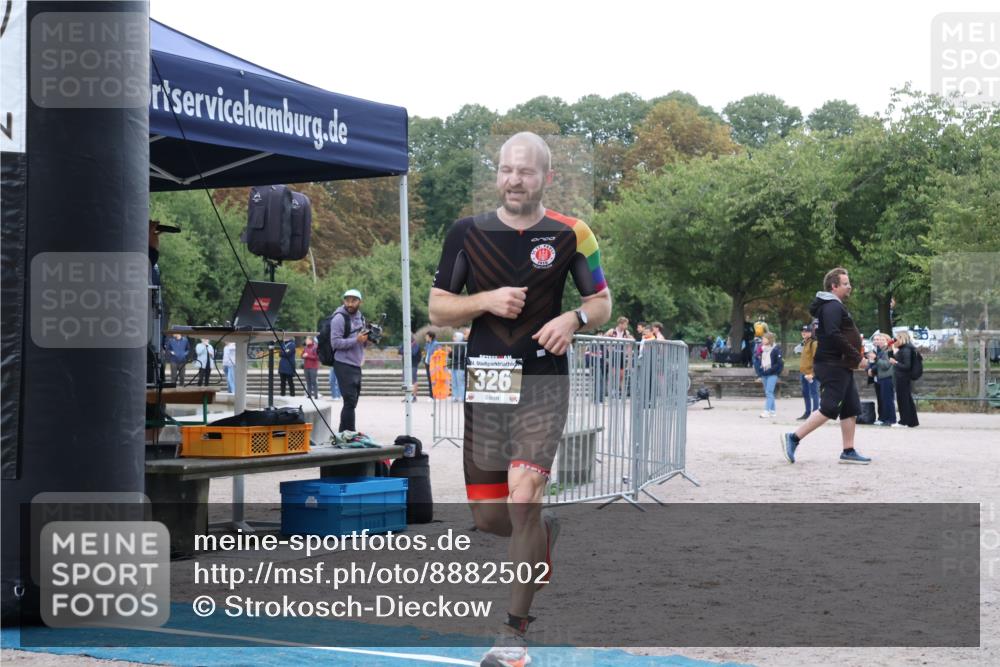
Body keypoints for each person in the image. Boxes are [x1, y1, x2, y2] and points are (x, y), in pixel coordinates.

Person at [428, 132, 612, 667]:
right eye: (507, 169)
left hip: (543, 382)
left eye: (526, 172)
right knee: (490, 517)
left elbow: (600, 301)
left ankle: (514, 638)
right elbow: (439, 309)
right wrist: (485, 300)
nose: (514, 179)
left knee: (523, 496)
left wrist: (573, 319)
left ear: (545, 177)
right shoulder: (466, 233)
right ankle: (540, 536)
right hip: (488, 381)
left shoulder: (573, 233)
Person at [781, 268, 871, 465]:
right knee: (829, 408)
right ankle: (793, 437)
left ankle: (848, 450)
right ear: (834, 286)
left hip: (840, 364)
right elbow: (833, 334)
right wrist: (857, 357)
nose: (850, 287)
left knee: (850, 408)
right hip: (832, 365)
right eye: (846, 283)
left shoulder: (834, 306)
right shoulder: (832, 307)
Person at [329, 288, 368, 432]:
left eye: (353, 300)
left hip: (356, 364)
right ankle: (349, 433)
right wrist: (356, 340)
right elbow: (336, 343)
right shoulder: (339, 318)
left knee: (352, 403)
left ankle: (343, 434)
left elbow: (361, 343)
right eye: (347, 300)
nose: (350, 304)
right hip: (343, 363)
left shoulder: (361, 317)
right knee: (350, 401)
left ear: (360, 302)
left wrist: (368, 339)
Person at [890, 330, 920, 428]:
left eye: (897, 338)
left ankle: (904, 421)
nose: (895, 340)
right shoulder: (904, 348)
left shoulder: (906, 349)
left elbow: (907, 366)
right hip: (902, 377)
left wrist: (895, 363)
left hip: (903, 377)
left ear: (902, 338)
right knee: (907, 399)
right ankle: (912, 421)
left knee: (903, 400)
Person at [872, 334, 897, 426]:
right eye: (879, 339)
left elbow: (886, 365)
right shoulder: (881, 351)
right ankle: (884, 418)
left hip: (887, 377)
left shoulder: (887, 351)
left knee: (888, 400)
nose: (880, 341)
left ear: (887, 341)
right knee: (883, 400)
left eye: (882, 339)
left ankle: (891, 419)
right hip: (882, 377)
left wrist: (875, 359)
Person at [758, 331, 783, 418]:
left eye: (764, 338)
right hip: (764, 373)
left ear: (769, 340)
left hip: (772, 374)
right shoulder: (762, 349)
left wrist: (771, 370)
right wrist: (761, 371)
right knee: (768, 392)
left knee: (769, 392)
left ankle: (766, 411)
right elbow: (760, 361)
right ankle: (772, 411)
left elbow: (779, 363)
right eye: (762, 338)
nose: (762, 340)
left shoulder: (776, 350)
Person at [797, 323, 819, 420]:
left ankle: (815, 414)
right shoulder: (804, 343)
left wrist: (813, 373)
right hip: (803, 372)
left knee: (814, 393)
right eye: (803, 331)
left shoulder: (813, 343)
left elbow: (817, 359)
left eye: (807, 331)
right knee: (805, 393)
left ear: (811, 332)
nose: (804, 333)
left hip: (811, 373)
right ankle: (807, 412)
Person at [451, 329, 467, 401]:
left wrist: (452, 352)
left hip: (460, 367)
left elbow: (459, 355)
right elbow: (452, 356)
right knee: (454, 382)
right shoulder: (456, 345)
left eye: (455, 337)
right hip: (454, 366)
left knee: (460, 382)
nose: (453, 338)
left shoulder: (462, 345)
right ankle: (455, 396)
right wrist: (450, 352)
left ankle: (462, 397)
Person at [423, 331, 439, 399]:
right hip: (428, 363)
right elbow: (426, 352)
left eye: (426, 336)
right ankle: (431, 395)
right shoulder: (428, 344)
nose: (425, 338)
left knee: (434, 380)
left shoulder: (436, 344)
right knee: (430, 380)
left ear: (430, 337)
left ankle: (435, 395)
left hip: (433, 364)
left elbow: (437, 354)